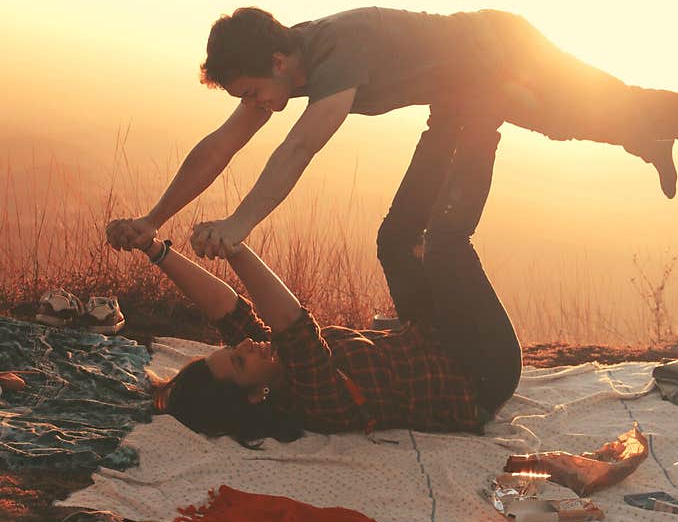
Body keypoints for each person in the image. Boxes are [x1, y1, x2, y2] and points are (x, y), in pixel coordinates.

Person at [105, 6, 678, 267]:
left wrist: (239, 221)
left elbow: (299, 149)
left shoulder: (335, 54)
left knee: (618, 107)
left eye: (254, 91)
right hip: (464, 88)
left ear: (278, 61)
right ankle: (644, 138)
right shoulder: (295, 66)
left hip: (501, 56)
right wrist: (153, 219)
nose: (257, 106)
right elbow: (221, 145)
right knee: (609, 117)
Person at [109, 142, 522, 446]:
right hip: (480, 369)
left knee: (394, 240)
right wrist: (233, 244)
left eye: (236, 349)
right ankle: (483, 124)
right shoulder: (316, 401)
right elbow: (294, 324)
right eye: (239, 359)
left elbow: (223, 307)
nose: (249, 345)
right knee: (447, 243)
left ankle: (447, 126)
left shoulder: (270, 366)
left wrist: (154, 248)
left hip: (432, 336)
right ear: (256, 397)